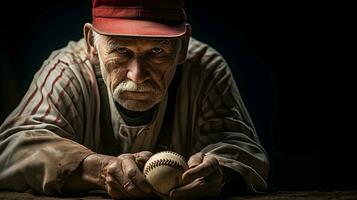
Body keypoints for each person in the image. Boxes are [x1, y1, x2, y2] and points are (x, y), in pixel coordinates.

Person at [0, 0, 269, 199]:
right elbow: (11, 149)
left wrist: (220, 173)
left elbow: (243, 150)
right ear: (92, 43)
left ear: (183, 45)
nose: (137, 75)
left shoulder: (205, 68)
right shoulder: (67, 71)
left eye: (156, 51)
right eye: (120, 50)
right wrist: (99, 169)